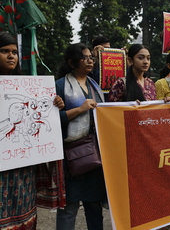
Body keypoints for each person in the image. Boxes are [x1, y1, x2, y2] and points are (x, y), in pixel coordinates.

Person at [0, 31, 64, 230]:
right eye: (4, 51)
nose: (12, 56)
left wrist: (55, 104)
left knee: (24, 213)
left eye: (14, 52)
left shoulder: (25, 86)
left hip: (22, 166)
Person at [55, 43, 107, 230]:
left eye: (90, 58)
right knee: (69, 207)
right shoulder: (60, 86)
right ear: (71, 62)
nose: (89, 61)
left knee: (94, 204)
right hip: (71, 157)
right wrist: (80, 109)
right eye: (84, 58)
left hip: (94, 154)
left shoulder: (95, 85)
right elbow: (53, 120)